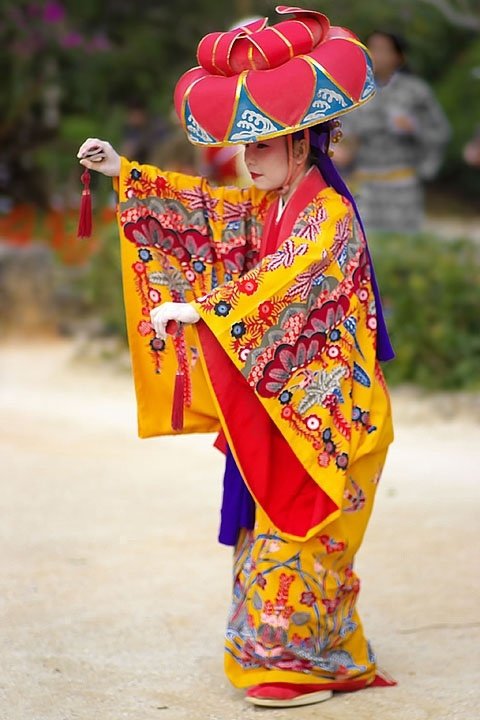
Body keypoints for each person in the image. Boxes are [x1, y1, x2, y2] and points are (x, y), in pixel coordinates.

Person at [77, 7, 395, 709]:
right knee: (277, 534)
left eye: (264, 145)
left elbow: (294, 282)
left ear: (305, 143)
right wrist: (124, 172)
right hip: (292, 403)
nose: (246, 159)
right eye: (245, 147)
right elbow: (208, 212)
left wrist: (209, 309)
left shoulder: (329, 217)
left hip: (330, 409)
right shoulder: (270, 204)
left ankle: (296, 662)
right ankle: (322, 652)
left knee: (307, 537)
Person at [336, 30, 450, 233]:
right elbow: (339, 133)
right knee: (364, 248)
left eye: (383, 49)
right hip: (363, 184)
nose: (376, 55)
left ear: (399, 57)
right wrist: (340, 149)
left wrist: (414, 128)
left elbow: (440, 132)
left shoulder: (416, 91)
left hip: (401, 186)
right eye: (372, 48)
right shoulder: (353, 89)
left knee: (403, 248)